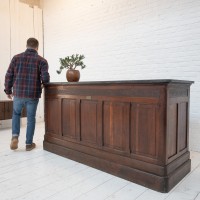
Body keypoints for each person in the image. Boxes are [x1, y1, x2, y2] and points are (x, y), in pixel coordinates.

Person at [4, 38, 50, 151]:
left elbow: (8, 75)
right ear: (37, 47)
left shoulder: (16, 58)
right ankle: (29, 144)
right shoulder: (42, 61)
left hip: (18, 93)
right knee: (30, 119)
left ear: (26, 45)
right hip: (33, 94)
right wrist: (44, 84)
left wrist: (8, 90)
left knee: (16, 114)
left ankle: (15, 136)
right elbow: (45, 79)